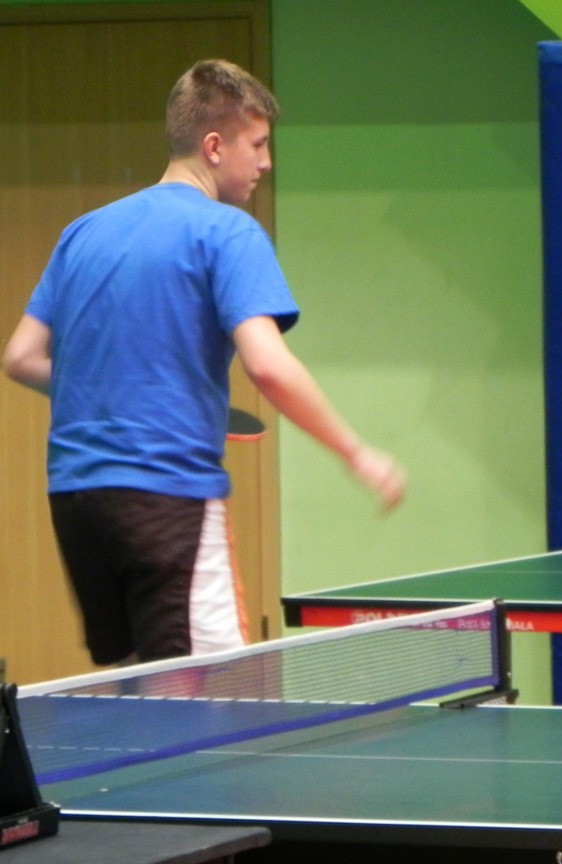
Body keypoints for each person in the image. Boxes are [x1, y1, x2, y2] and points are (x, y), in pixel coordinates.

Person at [3, 58, 406, 668]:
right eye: (258, 144)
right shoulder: (227, 233)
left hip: (78, 498)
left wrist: (120, 389)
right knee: (212, 693)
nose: (267, 162)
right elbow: (268, 367)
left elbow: (21, 358)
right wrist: (356, 452)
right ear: (214, 146)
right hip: (167, 495)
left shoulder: (83, 232)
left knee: (138, 686)